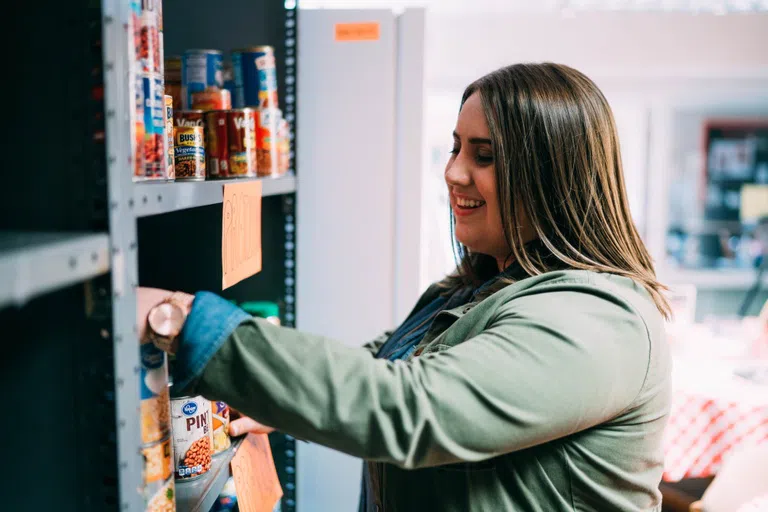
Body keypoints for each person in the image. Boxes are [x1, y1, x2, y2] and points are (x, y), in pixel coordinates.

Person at [139, 63, 671, 511]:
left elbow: (409, 407)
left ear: (554, 178)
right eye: (456, 148)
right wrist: (270, 391)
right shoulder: (480, 286)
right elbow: (388, 363)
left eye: (484, 156)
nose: (454, 173)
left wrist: (183, 320)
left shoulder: (598, 318)